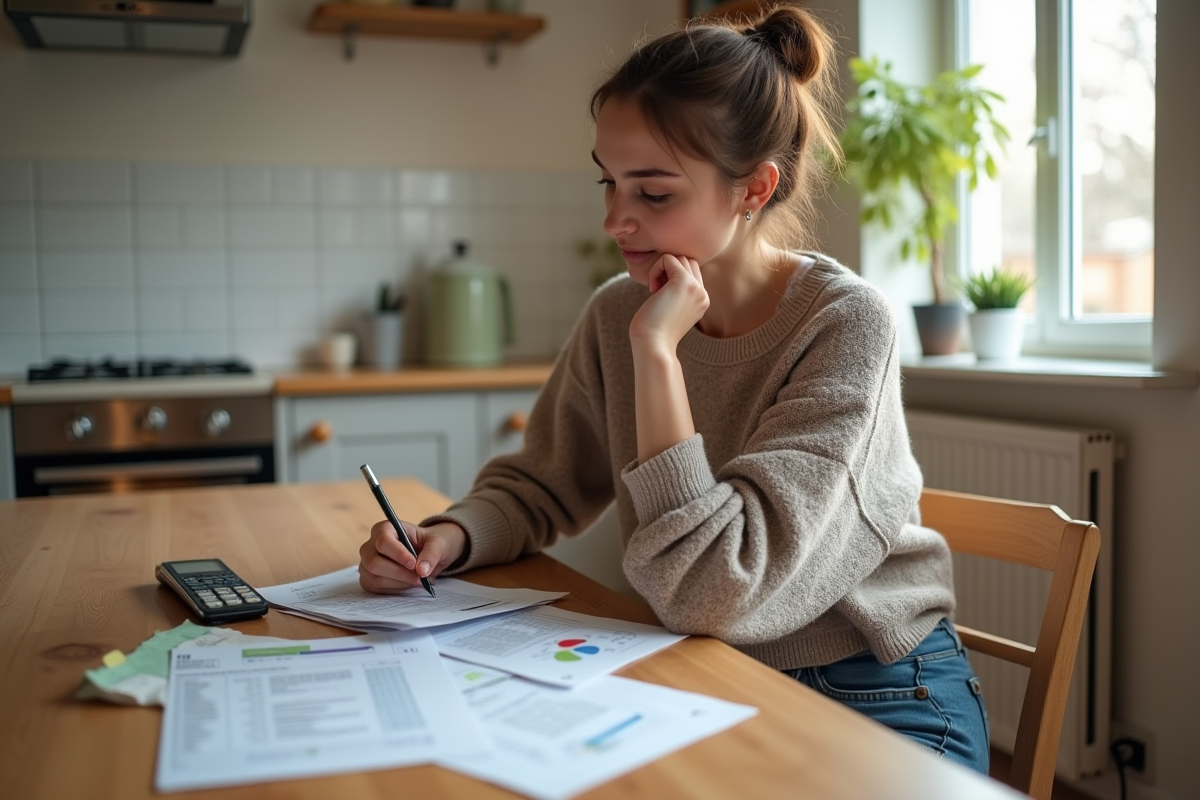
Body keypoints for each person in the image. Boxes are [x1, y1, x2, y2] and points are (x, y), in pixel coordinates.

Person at [358, 4, 990, 773]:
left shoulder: (846, 324)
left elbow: (715, 590)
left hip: (874, 688)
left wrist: (658, 353)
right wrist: (448, 539)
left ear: (754, 188)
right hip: (706, 672)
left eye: (653, 194)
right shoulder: (617, 310)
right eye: (609, 182)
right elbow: (542, 482)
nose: (616, 219)